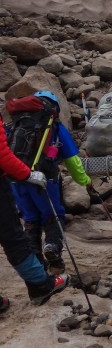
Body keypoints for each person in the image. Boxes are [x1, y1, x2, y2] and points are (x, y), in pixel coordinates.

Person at [9, 90, 92, 272]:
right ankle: (53, 250)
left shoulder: (15, 124)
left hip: (16, 180)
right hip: (44, 180)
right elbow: (72, 159)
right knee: (53, 216)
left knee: (30, 219)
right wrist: (84, 180)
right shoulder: (53, 127)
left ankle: (36, 260)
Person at [0, 114, 68, 307]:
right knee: (13, 239)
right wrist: (27, 174)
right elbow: (2, 155)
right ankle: (41, 285)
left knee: (26, 225)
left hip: (16, 187)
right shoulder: (52, 127)